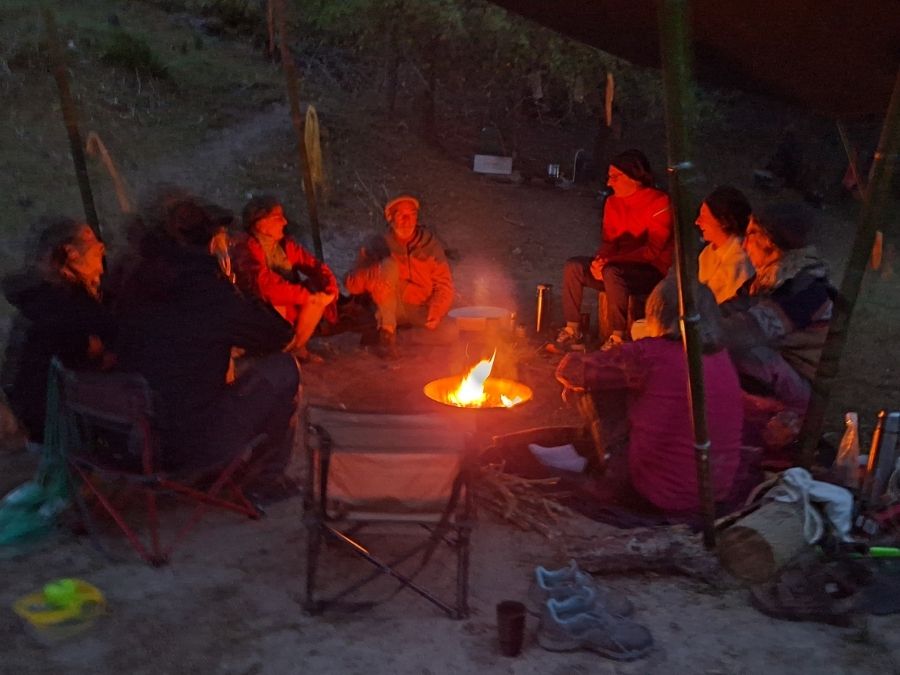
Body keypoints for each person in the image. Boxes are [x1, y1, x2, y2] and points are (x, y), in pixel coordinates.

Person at [115, 197, 301, 504]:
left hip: (133, 440)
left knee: (210, 364)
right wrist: (232, 284)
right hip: (190, 443)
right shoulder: (204, 288)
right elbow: (278, 335)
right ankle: (264, 479)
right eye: (222, 238)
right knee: (283, 369)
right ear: (211, 241)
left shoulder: (132, 278)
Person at [555, 275, 742, 514]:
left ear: (658, 313)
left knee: (596, 390)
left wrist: (577, 388)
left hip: (657, 494)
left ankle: (610, 482)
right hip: (712, 494)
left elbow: (571, 370)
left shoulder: (650, 355)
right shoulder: (720, 357)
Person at [1, 218, 114, 443]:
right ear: (70, 256)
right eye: (94, 251)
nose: (100, 263)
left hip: (33, 421)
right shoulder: (70, 307)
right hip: (60, 428)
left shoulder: (35, 302)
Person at [720, 203, 834, 413]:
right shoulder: (765, 280)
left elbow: (747, 330)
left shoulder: (806, 287)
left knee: (738, 352)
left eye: (751, 235)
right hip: (775, 371)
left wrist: (693, 332)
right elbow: (728, 310)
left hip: (801, 388)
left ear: (769, 240)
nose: (744, 245)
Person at [557, 149, 673, 351]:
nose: (609, 183)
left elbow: (652, 251)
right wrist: (599, 261)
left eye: (614, 177)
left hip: (649, 271)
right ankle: (572, 329)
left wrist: (611, 262)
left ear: (633, 177)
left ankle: (617, 337)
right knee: (574, 267)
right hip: (616, 266)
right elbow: (609, 242)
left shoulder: (659, 202)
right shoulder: (612, 203)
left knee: (612, 272)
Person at [344, 195, 454, 359]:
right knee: (389, 265)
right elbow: (351, 283)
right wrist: (373, 274)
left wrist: (436, 311)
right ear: (390, 218)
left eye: (411, 215)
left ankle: (396, 339)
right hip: (389, 309)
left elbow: (444, 285)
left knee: (450, 331)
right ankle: (387, 331)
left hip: (418, 308)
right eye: (401, 215)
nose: (407, 220)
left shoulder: (429, 245)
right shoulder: (378, 244)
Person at [232, 195, 338, 362]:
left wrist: (329, 285)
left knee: (316, 292)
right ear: (261, 224)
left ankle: (296, 347)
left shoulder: (284, 245)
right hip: (257, 311)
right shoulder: (246, 248)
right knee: (281, 302)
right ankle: (276, 350)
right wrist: (304, 295)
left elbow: (313, 265)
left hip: (287, 305)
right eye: (277, 218)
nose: (284, 222)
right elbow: (265, 286)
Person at [696, 186, 755, 304]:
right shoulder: (707, 254)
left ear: (723, 221)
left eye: (704, 216)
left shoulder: (739, 263)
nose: (697, 222)